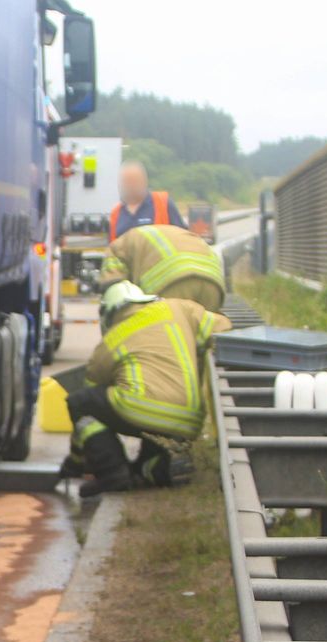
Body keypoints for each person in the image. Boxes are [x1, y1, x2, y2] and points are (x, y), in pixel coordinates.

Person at [63, 281, 231, 495]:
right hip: (189, 419)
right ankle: (154, 470)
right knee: (144, 463)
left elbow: (89, 404)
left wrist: (75, 463)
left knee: (79, 403)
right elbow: (223, 329)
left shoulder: (109, 343)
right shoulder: (178, 309)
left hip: (142, 411)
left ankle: (111, 472)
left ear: (108, 314)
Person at [98, 222, 226, 313]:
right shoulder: (143, 237)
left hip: (173, 283)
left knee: (168, 335)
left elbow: (113, 290)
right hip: (213, 283)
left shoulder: (115, 249)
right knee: (204, 332)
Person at [107, 160, 187, 240]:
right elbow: (112, 248)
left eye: (135, 180)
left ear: (144, 180)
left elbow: (182, 239)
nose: (131, 185)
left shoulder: (163, 203)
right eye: (127, 181)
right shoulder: (116, 213)